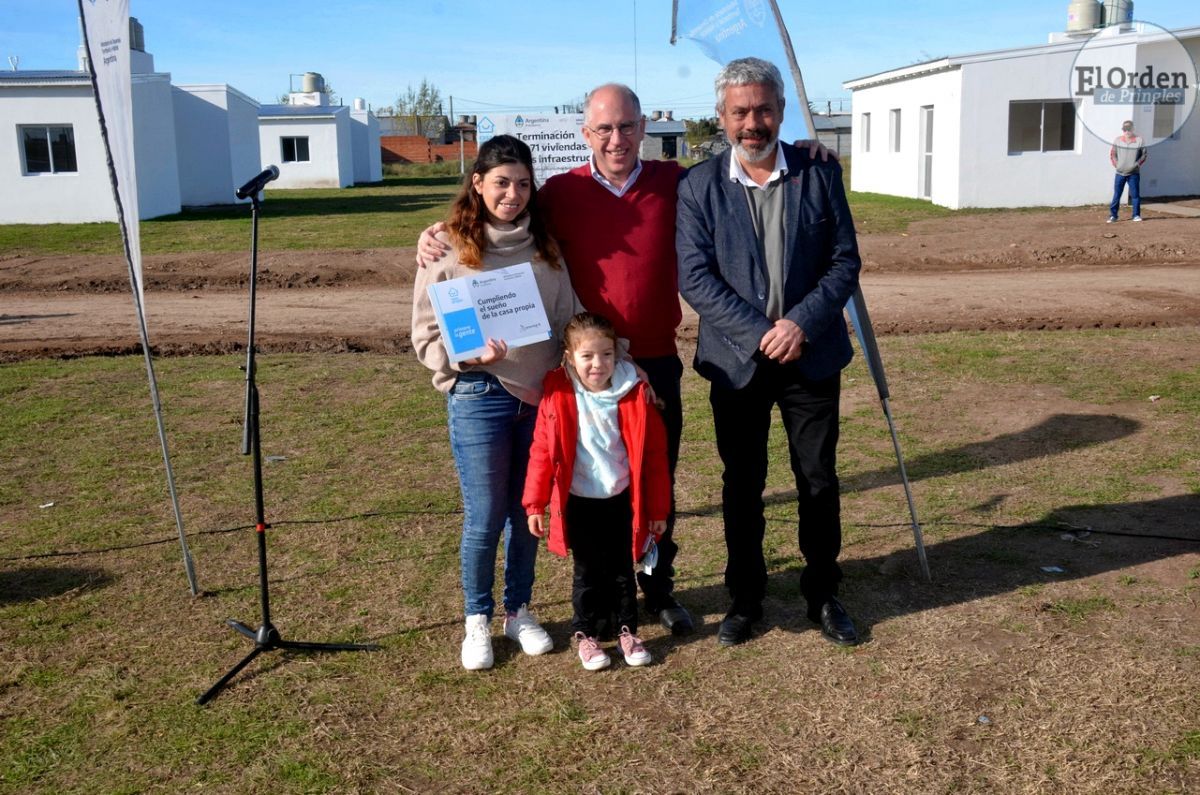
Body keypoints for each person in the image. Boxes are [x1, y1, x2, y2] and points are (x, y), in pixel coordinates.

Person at [419, 83, 834, 637]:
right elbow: (499, 214)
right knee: (594, 486)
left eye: (626, 127)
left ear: (643, 129)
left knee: (654, 477)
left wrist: (805, 149)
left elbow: (742, 163)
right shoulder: (560, 193)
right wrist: (437, 233)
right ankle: (600, 602)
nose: (616, 139)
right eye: (604, 129)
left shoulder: (676, 182)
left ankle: (658, 589)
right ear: (586, 134)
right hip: (584, 369)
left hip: (653, 362)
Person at [676, 57, 863, 648]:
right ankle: (745, 599)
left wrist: (800, 323)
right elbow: (695, 277)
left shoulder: (818, 171)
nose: (752, 123)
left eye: (762, 110)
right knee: (742, 484)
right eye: (740, 112)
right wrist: (762, 332)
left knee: (818, 479)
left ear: (780, 111)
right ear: (721, 116)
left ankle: (823, 592)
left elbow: (844, 261)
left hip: (812, 355)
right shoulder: (698, 187)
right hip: (738, 364)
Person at [411, 134, 584, 671]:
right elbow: (425, 336)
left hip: (539, 400)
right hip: (478, 397)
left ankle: (518, 610)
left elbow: (568, 320)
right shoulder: (445, 249)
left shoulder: (546, 249)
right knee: (485, 516)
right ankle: (477, 619)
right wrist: (469, 358)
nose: (512, 194)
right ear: (477, 183)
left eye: (523, 184)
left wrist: (605, 361)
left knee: (527, 512)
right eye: (501, 183)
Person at [523, 312, 672, 670]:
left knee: (622, 569)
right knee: (586, 571)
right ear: (569, 357)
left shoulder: (635, 392)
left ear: (617, 354)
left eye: (606, 354)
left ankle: (627, 631)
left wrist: (657, 511)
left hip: (621, 500)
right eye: (587, 356)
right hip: (579, 501)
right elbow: (542, 452)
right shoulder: (557, 393)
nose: (597, 364)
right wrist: (534, 504)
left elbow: (654, 459)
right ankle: (586, 634)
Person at [1108, 120, 1147, 223]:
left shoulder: (1139, 140)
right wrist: (1117, 165)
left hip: (1134, 173)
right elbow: (1113, 154)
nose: (1127, 131)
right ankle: (1113, 216)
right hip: (1120, 173)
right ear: (1123, 130)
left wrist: (1137, 164)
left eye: (1129, 129)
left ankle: (1136, 215)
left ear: (1132, 129)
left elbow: (1144, 155)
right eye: (1125, 129)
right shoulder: (1117, 140)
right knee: (1117, 195)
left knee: (1135, 195)